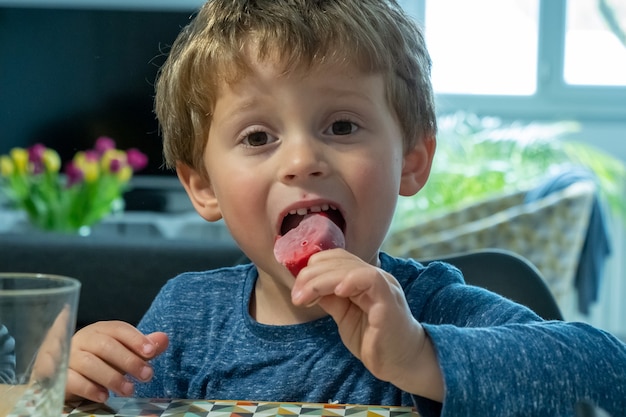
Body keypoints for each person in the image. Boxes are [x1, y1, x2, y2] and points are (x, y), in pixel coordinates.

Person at [65, 1, 626, 416]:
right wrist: (76, 386)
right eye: (259, 137)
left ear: (410, 160)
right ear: (203, 185)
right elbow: (123, 407)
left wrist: (419, 355)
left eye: (341, 126)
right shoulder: (187, 316)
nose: (303, 160)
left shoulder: (432, 309)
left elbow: (609, 375)